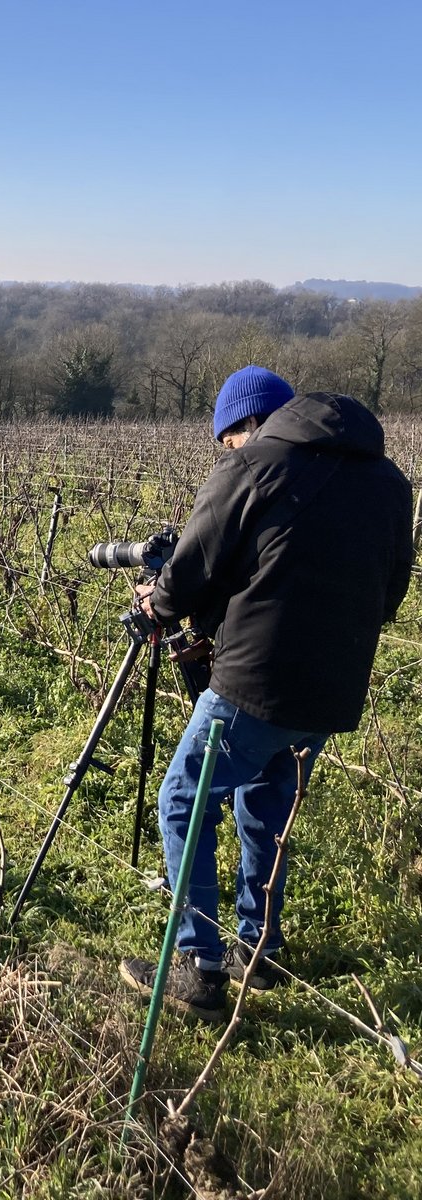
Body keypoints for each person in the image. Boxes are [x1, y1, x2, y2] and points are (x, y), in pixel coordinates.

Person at [119, 366, 414, 1021]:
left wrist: (155, 601)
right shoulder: (389, 481)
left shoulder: (251, 467)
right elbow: (391, 595)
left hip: (253, 681)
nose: (229, 451)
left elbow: (190, 573)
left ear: (240, 428)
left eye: (226, 439)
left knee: (184, 798)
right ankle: (260, 949)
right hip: (333, 690)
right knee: (266, 802)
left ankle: (199, 968)